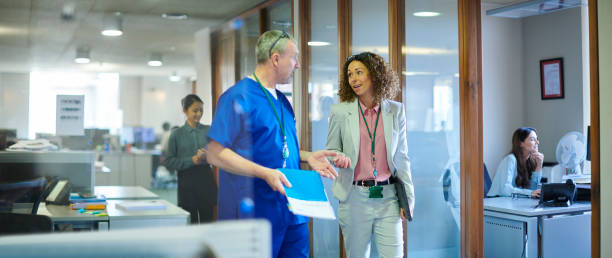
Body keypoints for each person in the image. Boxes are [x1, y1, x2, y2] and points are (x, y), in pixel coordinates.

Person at [206, 30, 340, 258]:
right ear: (276, 59)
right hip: (256, 214)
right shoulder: (237, 98)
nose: (297, 65)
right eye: (294, 57)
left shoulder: (283, 101)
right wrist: (265, 173)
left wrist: (306, 156)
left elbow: (278, 147)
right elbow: (216, 154)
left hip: (292, 210)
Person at [326, 52, 415, 258]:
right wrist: (338, 157)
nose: (354, 79)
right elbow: (331, 149)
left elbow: (402, 157)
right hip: (354, 197)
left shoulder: (395, 110)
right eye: (349, 75)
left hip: (388, 198)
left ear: (375, 75)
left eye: (359, 72)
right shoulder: (340, 111)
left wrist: (408, 198)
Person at [163, 94, 217, 223]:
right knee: (190, 223)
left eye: (201, 110)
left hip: (206, 180)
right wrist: (191, 160)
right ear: (184, 111)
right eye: (195, 110)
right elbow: (169, 161)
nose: (199, 114)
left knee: (207, 223)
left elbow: (218, 155)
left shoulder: (208, 130)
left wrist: (207, 156)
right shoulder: (176, 134)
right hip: (186, 183)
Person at [487, 127, 543, 198]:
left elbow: (532, 190)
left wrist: (539, 166)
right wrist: (530, 193)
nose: (537, 142)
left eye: (537, 139)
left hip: (512, 202)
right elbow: (505, 189)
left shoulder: (530, 161)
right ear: (520, 143)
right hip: (497, 202)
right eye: (532, 139)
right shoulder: (510, 159)